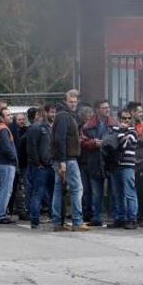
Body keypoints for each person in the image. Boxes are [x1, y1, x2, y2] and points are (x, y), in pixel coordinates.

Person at [52, 93, 88, 231]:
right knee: (77, 189)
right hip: (67, 159)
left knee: (58, 190)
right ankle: (77, 222)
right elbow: (59, 139)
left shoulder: (63, 116)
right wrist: (62, 161)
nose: (73, 104)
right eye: (70, 101)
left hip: (63, 159)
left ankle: (57, 222)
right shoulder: (64, 116)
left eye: (75, 101)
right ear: (65, 101)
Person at [81, 100, 118, 225]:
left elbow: (118, 140)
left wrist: (105, 143)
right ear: (97, 109)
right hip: (95, 161)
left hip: (110, 161)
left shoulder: (114, 124)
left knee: (114, 191)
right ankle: (97, 217)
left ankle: (115, 216)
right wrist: (93, 143)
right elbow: (83, 142)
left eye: (108, 107)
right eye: (104, 108)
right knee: (97, 192)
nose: (107, 110)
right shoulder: (88, 126)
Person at [109, 109, 139, 229]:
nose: (126, 121)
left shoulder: (133, 133)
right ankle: (120, 218)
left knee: (129, 193)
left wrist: (121, 132)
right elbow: (109, 143)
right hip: (116, 165)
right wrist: (120, 134)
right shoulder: (114, 131)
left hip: (128, 166)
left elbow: (124, 144)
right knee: (117, 193)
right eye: (123, 118)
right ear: (119, 119)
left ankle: (132, 219)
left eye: (128, 118)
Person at [27, 104, 55, 229]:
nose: (53, 115)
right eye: (52, 112)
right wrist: (37, 163)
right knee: (37, 193)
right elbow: (31, 147)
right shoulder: (36, 128)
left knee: (52, 193)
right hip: (40, 167)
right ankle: (35, 219)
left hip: (51, 165)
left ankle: (54, 217)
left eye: (55, 112)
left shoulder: (51, 127)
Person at [0, 108, 18, 224]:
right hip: (6, 163)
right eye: (7, 115)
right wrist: (14, 159)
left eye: (10, 114)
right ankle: (1, 215)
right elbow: (7, 148)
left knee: (0, 189)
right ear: (1, 118)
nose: (10, 117)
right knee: (6, 190)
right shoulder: (3, 130)